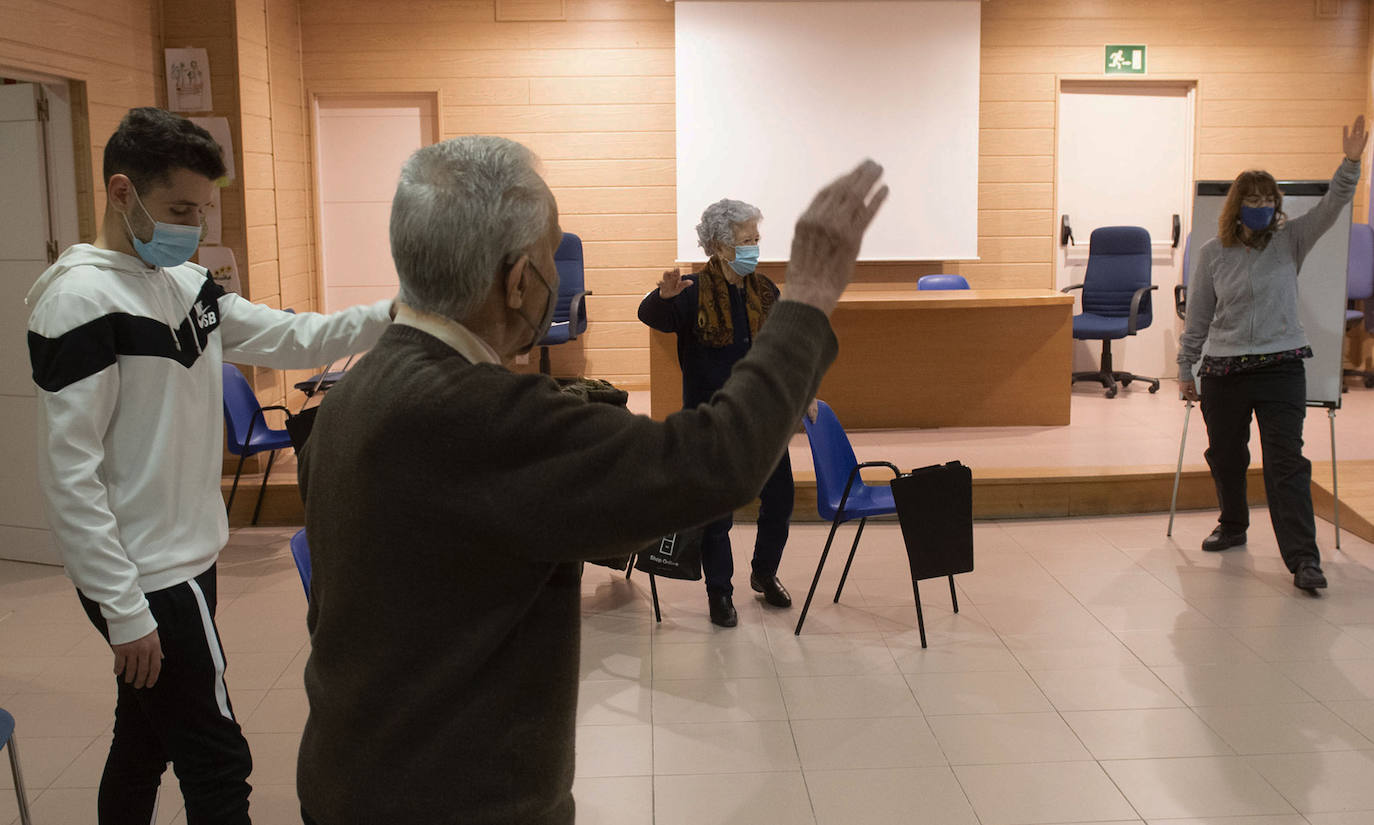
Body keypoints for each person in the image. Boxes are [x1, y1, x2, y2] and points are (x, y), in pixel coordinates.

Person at [294, 136, 887, 825]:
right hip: (457, 798)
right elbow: (715, 460)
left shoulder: (355, 388)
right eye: (552, 260)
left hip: (354, 777)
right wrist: (811, 293)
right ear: (517, 281)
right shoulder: (483, 418)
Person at [25, 107, 393, 824]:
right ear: (121, 192)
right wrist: (123, 608)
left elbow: (296, 335)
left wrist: (405, 311)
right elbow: (70, 475)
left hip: (189, 556)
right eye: (178, 208)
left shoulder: (185, 285)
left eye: (201, 209)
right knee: (216, 759)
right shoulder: (78, 301)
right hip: (144, 573)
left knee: (143, 737)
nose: (192, 225)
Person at [1179, 114, 1368, 593]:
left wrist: (1350, 163)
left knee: (1286, 462)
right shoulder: (1212, 253)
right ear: (1237, 205)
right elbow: (1199, 317)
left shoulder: (1291, 240)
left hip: (1281, 365)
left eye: (1268, 200)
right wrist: (1186, 367)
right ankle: (1234, 523)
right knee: (1225, 455)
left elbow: (1334, 204)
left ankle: (1304, 559)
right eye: (1253, 200)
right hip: (1223, 370)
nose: (1261, 206)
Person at [637, 199, 805, 627]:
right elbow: (650, 315)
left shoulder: (765, 292)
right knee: (717, 515)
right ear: (720, 246)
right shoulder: (690, 293)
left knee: (780, 500)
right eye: (747, 240)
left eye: (756, 239)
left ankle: (764, 573)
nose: (755, 247)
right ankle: (720, 592)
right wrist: (662, 297)